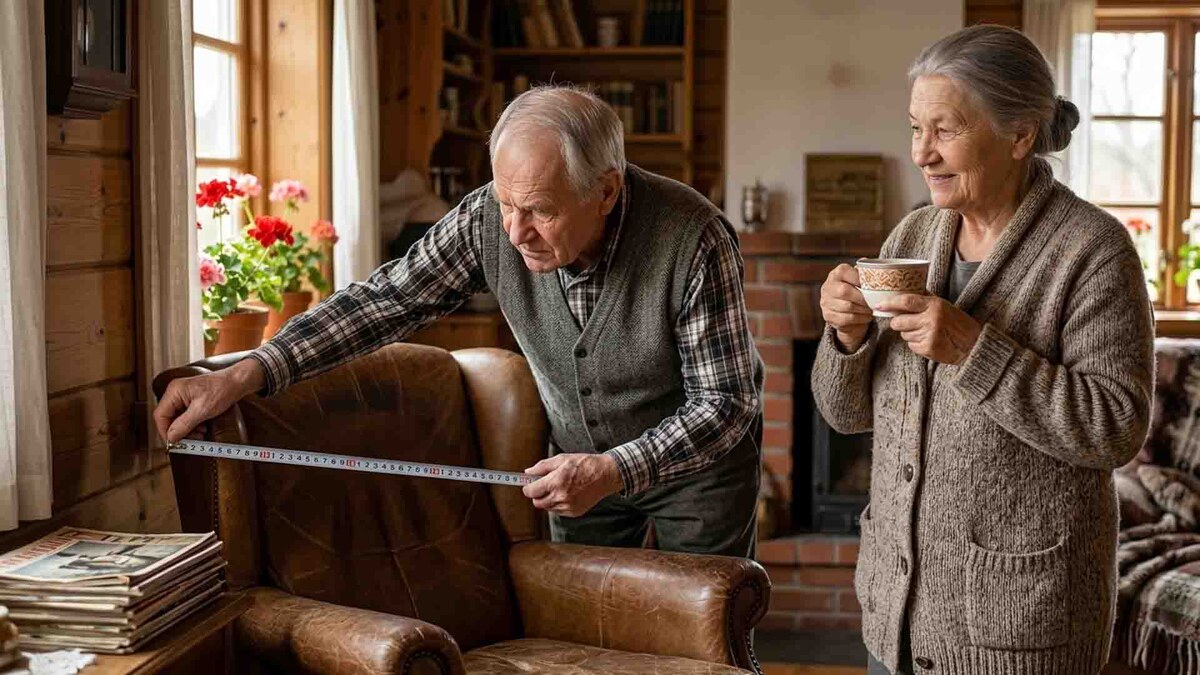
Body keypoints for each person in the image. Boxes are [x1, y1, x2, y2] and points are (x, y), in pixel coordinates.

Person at [154, 85, 764, 558]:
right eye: (505, 202)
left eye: (540, 211)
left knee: (705, 646)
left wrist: (614, 468)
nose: (513, 231)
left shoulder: (694, 239)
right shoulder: (484, 221)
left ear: (605, 192)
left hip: (695, 473)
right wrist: (246, 372)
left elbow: (725, 404)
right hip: (575, 470)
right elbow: (382, 303)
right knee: (593, 641)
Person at [814, 25, 1154, 675]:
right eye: (915, 128)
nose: (922, 153)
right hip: (893, 616)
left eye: (945, 130)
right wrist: (846, 337)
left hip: (1016, 630)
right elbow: (845, 414)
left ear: (1020, 134)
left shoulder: (1093, 251)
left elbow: (1116, 427)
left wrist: (974, 349)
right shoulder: (913, 233)